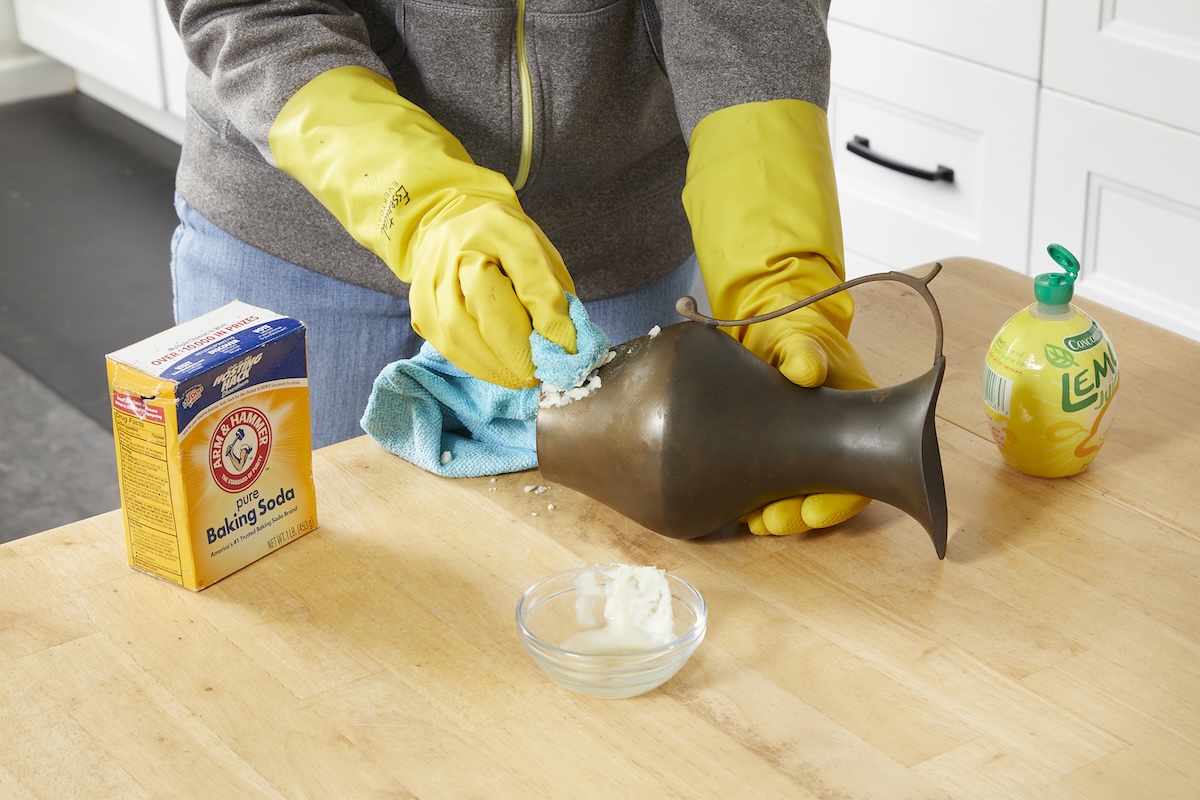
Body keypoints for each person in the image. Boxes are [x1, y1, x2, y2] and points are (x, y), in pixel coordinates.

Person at [163, 0, 876, 536]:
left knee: (593, 580)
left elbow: (745, 19)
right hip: (295, 234)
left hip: (608, 249)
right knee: (286, 592)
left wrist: (778, 272)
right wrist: (423, 205)